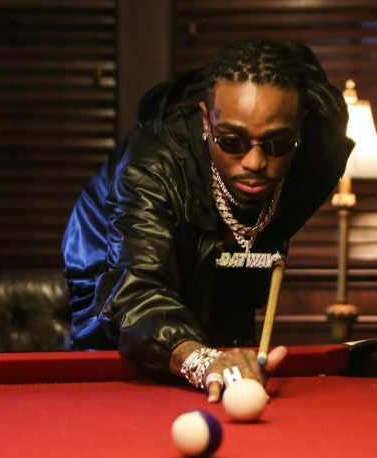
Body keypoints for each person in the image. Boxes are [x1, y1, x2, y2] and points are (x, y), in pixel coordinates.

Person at [62, 37, 354, 401]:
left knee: (229, 362)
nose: (254, 163)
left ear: (300, 128)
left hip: (220, 270)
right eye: (231, 141)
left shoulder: (316, 149)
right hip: (112, 280)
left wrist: (221, 358)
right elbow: (134, 292)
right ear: (206, 121)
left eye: (277, 143)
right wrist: (200, 359)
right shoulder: (152, 167)